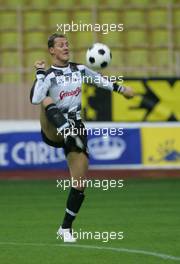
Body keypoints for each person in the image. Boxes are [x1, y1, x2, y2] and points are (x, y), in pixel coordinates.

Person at [30, 33, 134, 243]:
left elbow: (100, 80)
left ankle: (65, 228)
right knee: (46, 98)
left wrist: (122, 89)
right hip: (53, 129)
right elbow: (35, 98)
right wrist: (40, 73)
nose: (66, 47)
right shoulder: (49, 75)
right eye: (61, 45)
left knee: (79, 182)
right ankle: (66, 131)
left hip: (76, 128)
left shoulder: (79, 70)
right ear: (52, 51)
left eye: (67, 44)